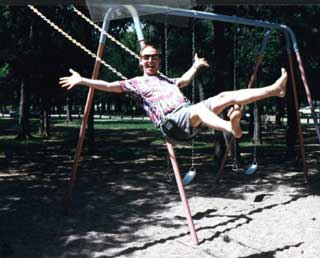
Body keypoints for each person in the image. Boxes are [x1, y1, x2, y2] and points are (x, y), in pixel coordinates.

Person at [59, 44, 287, 141]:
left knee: (224, 96)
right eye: (146, 57)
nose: (150, 60)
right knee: (199, 108)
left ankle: (274, 90)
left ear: (159, 60)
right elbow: (109, 86)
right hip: (171, 125)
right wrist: (82, 81)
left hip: (188, 115)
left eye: (154, 57)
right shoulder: (136, 83)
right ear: (141, 62)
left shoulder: (167, 80)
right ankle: (230, 128)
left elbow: (185, 80)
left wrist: (196, 66)